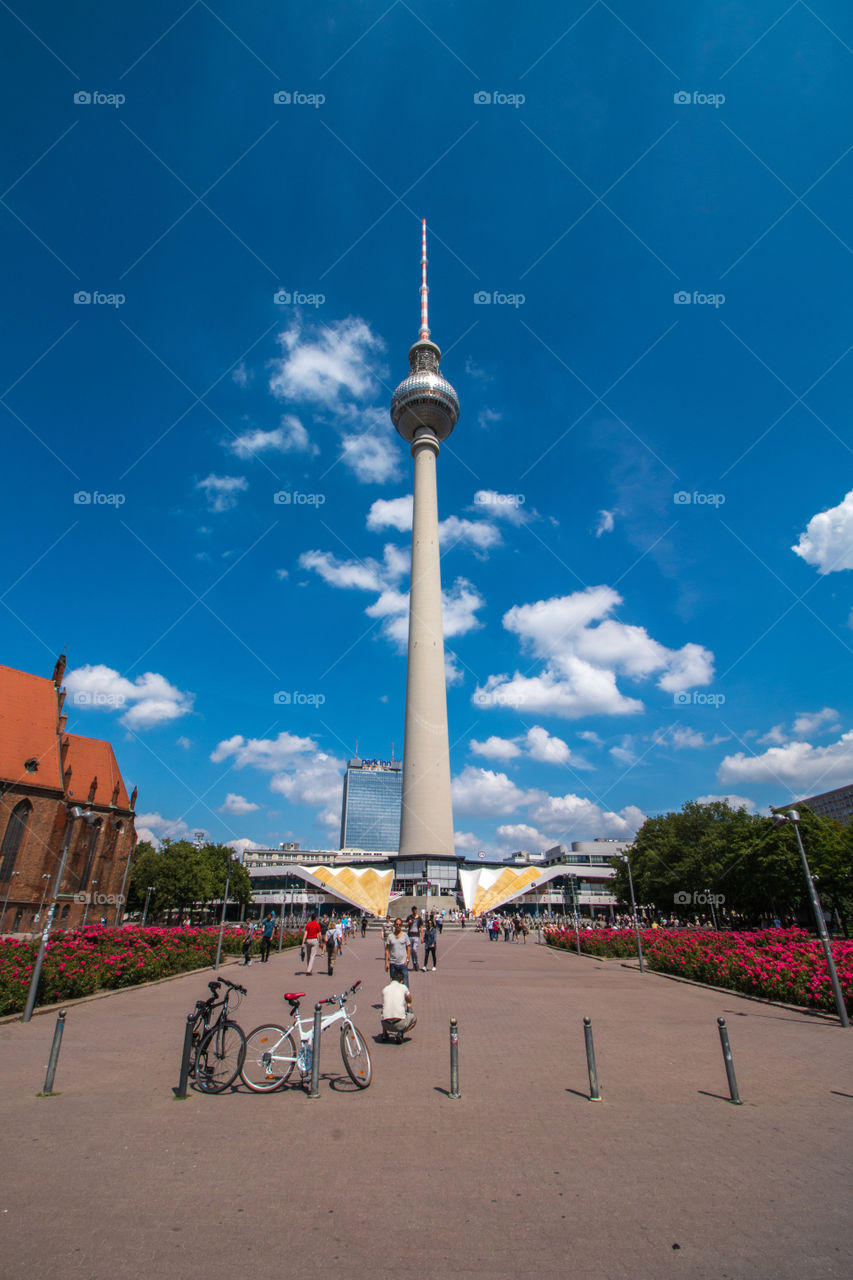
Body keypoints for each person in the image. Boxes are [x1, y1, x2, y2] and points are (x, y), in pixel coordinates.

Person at [380, 975, 416, 1043]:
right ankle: (400, 1033)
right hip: (399, 1023)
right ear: (401, 981)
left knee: (384, 1011)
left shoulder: (385, 989)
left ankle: (384, 1034)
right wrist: (407, 1002)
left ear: (391, 980)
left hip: (385, 1024)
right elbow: (410, 1000)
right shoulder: (403, 987)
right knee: (414, 1019)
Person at [384, 917, 411, 988]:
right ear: (394, 925)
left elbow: (408, 947)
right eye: (397, 924)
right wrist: (386, 962)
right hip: (393, 963)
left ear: (401, 925)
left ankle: (405, 998)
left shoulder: (405, 935)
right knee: (394, 986)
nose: (398, 926)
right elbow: (387, 950)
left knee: (405, 985)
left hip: (403, 963)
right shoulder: (390, 936)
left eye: (400, 924)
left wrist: (407, 959)